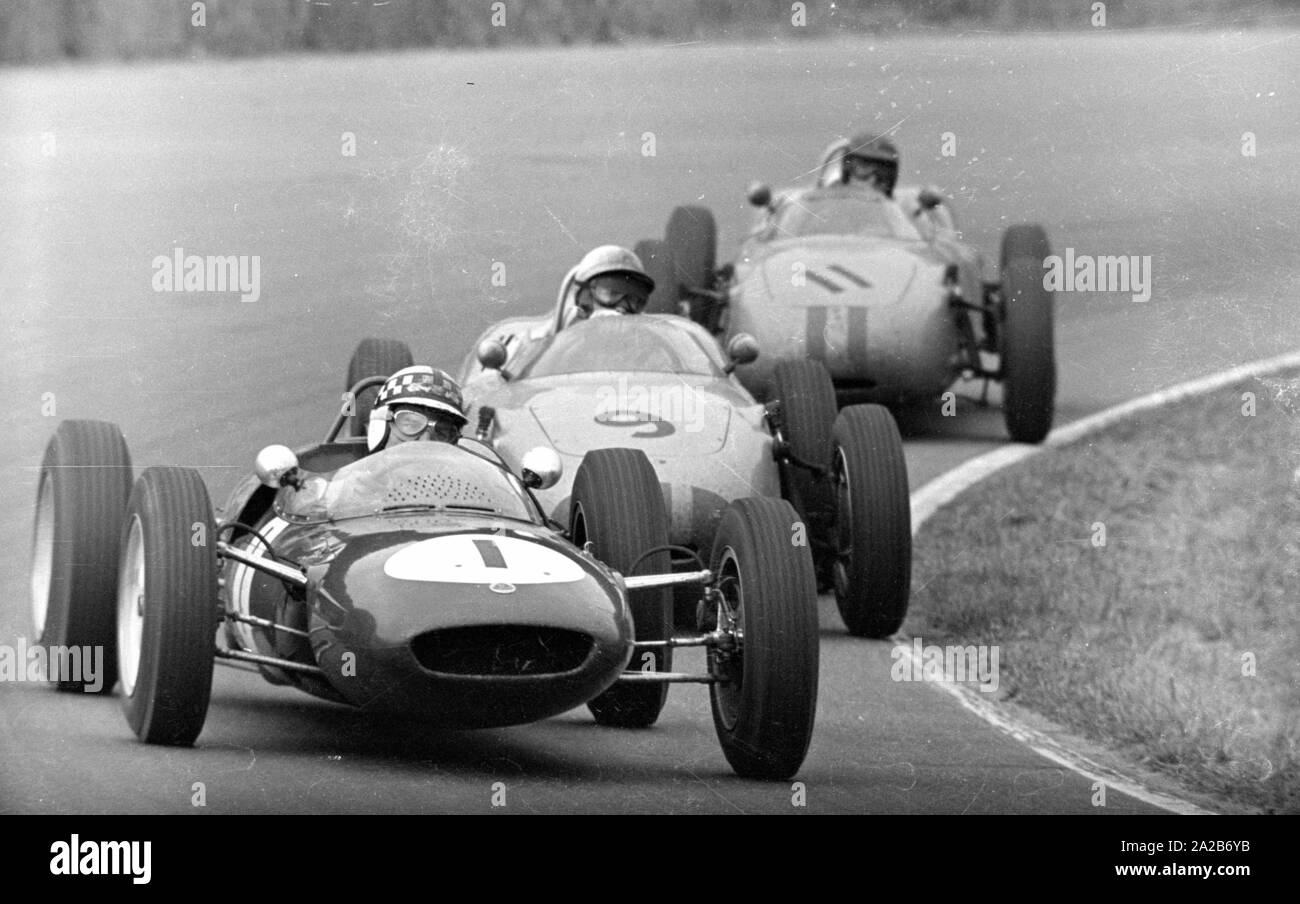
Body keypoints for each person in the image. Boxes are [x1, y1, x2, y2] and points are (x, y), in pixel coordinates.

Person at [366, 365, 468, 452]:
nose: (425, 441)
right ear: (381, 427)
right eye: (410, 424)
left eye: (440, 432)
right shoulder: (352, 472)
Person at [567, 244, 656, 323]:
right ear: (582, 297)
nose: (623, 307)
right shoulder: (560, 338)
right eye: (612, 293)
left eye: (634, 299)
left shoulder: (648, 337)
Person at [817, 133, 900, 197]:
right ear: (847, 164)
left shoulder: (895, 210)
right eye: (865, 165)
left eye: (884, 171)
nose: (873, 178)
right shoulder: (826, 197)